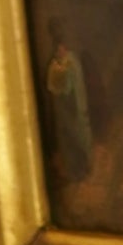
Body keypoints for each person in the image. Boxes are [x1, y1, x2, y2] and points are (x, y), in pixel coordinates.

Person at [43, 22, 93, 188]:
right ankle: (74, 171)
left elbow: (74, 88)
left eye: (62, 48)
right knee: (67, 139)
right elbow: (53, 86)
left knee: (79, 136)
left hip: (74, 106)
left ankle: (84, 167)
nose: (59, 51)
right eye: (57, 49)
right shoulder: (54, 64)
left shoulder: (72, 62)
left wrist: (75, 106)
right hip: (63, 109)